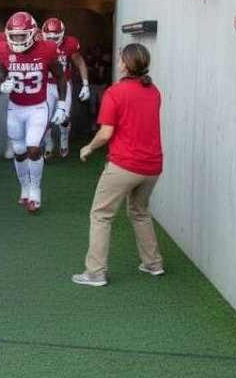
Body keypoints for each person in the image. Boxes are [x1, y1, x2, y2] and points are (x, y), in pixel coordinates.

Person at [72, 43, 164, 287]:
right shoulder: (153, 91)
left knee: (101, 216)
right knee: (140, 212)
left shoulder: (115, 93)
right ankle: (153, 264)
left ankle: (95, 273)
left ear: (124, 64)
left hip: (124, 166)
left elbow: (105, 133)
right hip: (152, 167)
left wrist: (89, 147)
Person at [0, 12, 67, 212]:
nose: (17, 40)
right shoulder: (2, 50)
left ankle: (35, 190)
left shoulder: (47, 49)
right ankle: (24, 187)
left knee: (33, 149)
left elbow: (60, 76)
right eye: (14, 36)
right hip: (15, 108)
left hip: (37, 107)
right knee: (18, 151)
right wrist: (1, 87)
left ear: (33, 34)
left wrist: (61, 104)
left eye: (21, 35)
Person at [41, 17, 89, 160]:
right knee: (44, 117)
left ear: (62, 35)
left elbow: (80, 63)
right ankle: (48, 144)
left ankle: (63, 138)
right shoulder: (38, 43)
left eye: (55, 37)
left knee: (64, 118)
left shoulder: (70, 44)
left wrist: (85, 84)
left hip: (64, 83)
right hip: (46, 84)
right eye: (48, 37)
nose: (51, 40)